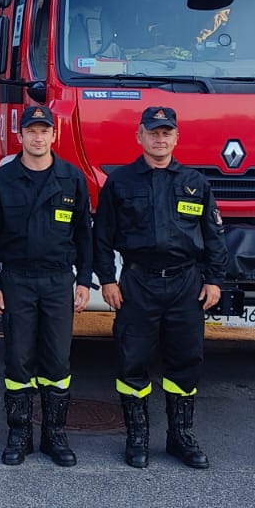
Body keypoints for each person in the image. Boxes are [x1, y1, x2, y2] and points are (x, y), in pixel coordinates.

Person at [94, 105, 227, 470]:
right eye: (153, 133)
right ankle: (137, 437)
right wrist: (107, 279)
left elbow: (213, 236)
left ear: (176, 138)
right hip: (138, 282)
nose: (160, 139)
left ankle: (180, 436)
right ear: (139, 136)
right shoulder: (120, 182)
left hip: (186, 284)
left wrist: (214, 280)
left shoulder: (195, 183)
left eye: (166, 133)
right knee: (132, 359)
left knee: (185, 360)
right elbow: (101, 236)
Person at [0, 104, 93, 467]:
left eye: (45, 131)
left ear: (54, 135)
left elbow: (84, 235)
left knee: (57, 361)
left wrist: (84, 280)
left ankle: (54, 435)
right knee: (18, 360)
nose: (38, 137)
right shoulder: (1, 181)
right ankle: (20, 434)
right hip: (17, 280)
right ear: (21, 135)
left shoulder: (72, 178)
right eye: (32, 131)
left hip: (58, 280)